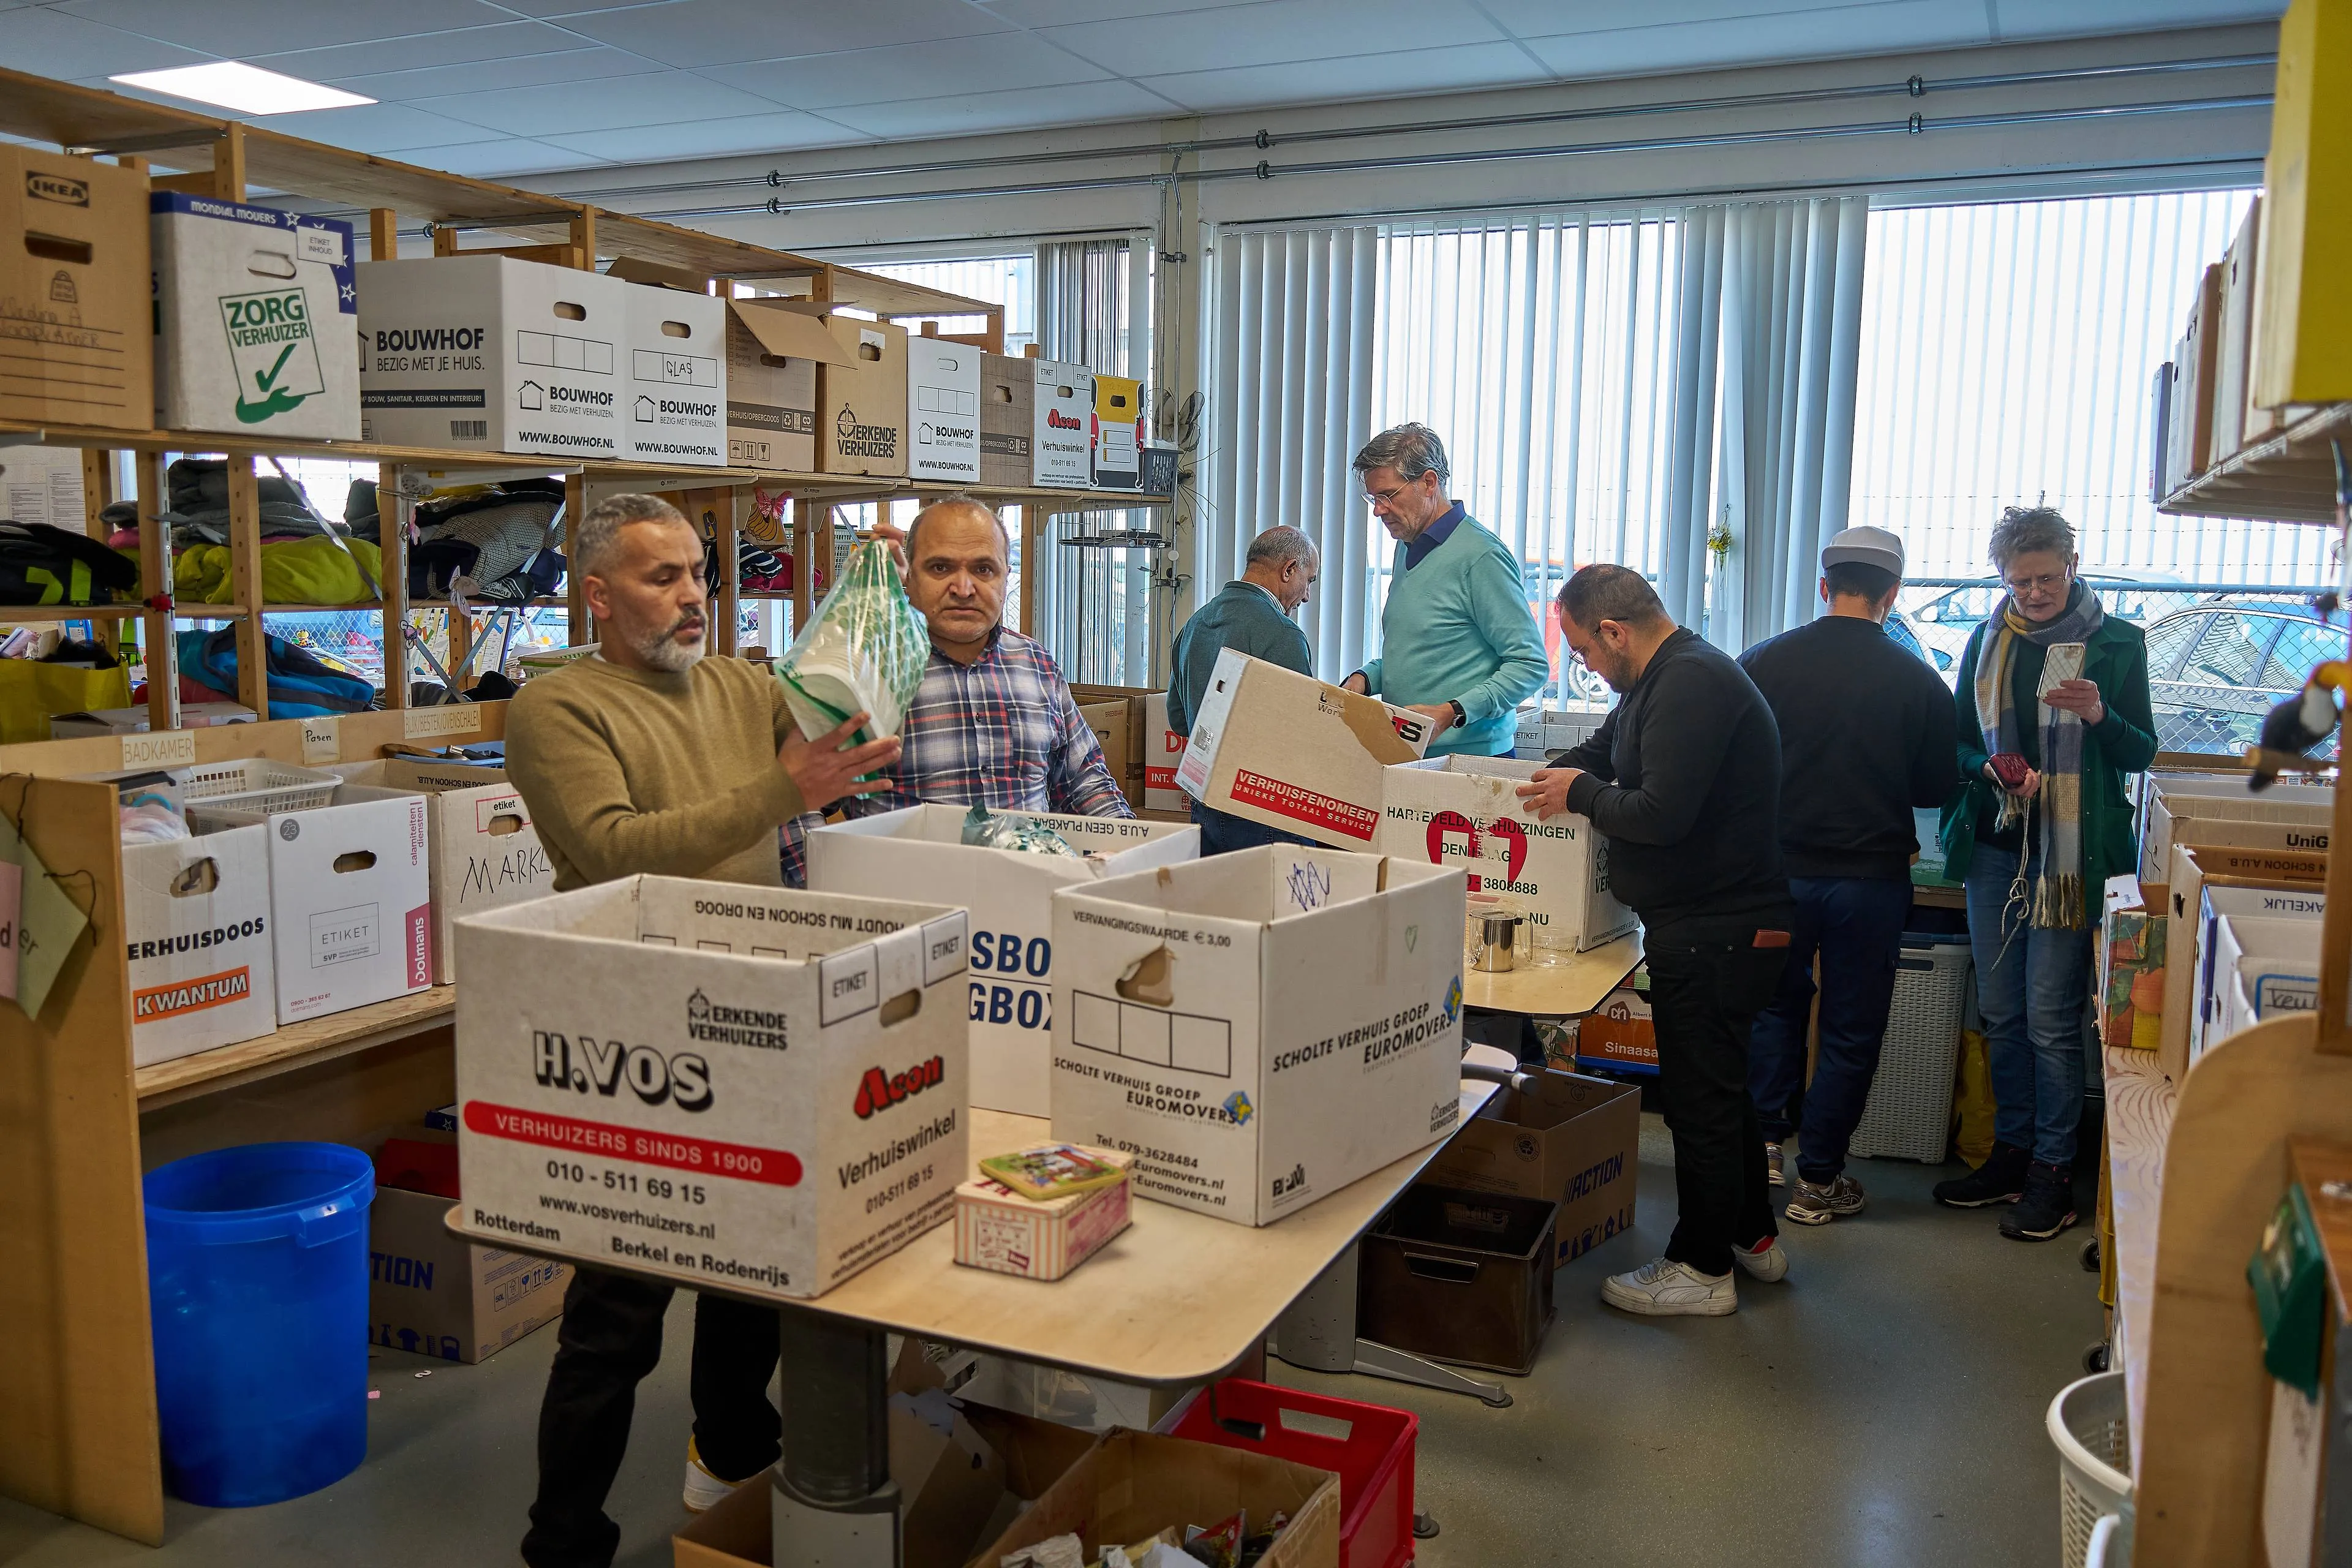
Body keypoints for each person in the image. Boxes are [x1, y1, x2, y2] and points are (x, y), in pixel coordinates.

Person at [502, 494, 900, 1568]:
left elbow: (835, 701)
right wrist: (781, 791)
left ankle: (731, 1452)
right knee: (617, 1313)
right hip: (635, 1032)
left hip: (757, 1009)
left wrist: (874, 596)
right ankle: (564, 1541)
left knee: (756, 1271)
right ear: (597, 595)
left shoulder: (735, 683)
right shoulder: (556, 710)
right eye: (661, 578)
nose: (693, 599)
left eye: (699, 576)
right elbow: (617, 848)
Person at [1516, 565, 1793, 1317]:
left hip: (1719, 930)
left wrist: (1581, 796)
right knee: (1724, 1096)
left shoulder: (1692, 683)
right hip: (1709, 924)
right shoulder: (1653, 685)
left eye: (1584, 652)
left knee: (1699, 1106)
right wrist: (1541, 780)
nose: (1587, 668)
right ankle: (1752, 1238)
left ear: (1615, 631)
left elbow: (1660, 813)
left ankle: (1701, 1269)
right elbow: (1603, 758)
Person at [1931, 507, 2155, 1240]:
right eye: (2019, 581)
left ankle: (2055, 1175)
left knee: (2052, 1022)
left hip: (2069, 861)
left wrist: (2099, 714)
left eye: (2046, 578)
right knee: (2001, 1015)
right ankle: (2013, 1152)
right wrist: (1991, 766)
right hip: (1997, 852)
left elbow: (2140, 754)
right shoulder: (1988, 639)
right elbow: (1961, 747)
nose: (2033, 593)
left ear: (2073, 562)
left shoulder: (2117, 643)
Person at [1738, 526, 1959, 1225]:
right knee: (1851, 1029)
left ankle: (1766, 1148)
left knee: (1773, 1008)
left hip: (1775, 876)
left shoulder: (1761, 662)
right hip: (1868, 884)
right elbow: (1933, 789)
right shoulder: (1919, 680)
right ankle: (1821, 1182)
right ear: (1892, 595)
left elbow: (1733, 762)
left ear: (1824, 586)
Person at [784, 496, 1129, 880]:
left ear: (1006, 575)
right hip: (907, 913)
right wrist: (824, 891)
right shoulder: (865, 668)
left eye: (984, 569)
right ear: (909, 575)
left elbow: (1083, 780)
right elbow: (794, 798)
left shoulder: (1035, 664)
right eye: (940, 567)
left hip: (1030, 907)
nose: (963, 588)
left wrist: (1134, 857)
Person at [1340, 424, 1548, 758]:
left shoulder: (1482, 556)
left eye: (1388, 496)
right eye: (1373, 498)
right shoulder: (1407, 546)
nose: (1378, 510)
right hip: (1408, 750)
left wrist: (1453, 711)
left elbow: (1530, 665)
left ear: (1429, 482)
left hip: (1471, 758)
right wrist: (1367, 679)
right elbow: (1425, 651)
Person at [1166, 525, 1321, 853]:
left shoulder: (1194, 625)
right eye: (1309, 581)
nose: (1307, 595)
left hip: (1204, 804)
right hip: (1264, 813)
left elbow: (1179, 721)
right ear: (1289, 569)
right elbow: (1305, 739)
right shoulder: (1282, 634)